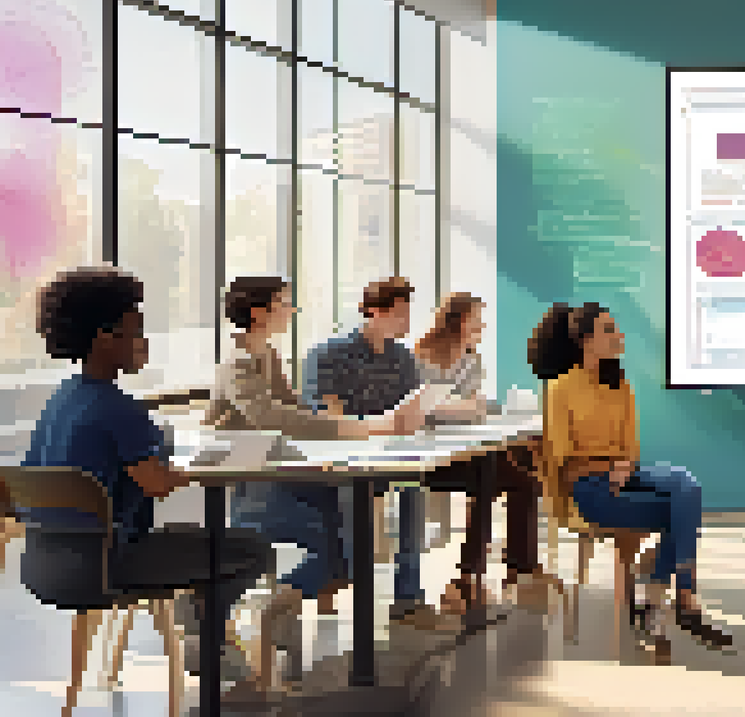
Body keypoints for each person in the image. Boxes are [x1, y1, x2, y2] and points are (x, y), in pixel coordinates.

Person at [20, 267, 277, 696]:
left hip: (45, 566)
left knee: (188, 539)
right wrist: (191, 469)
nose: (145, 342)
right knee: (251, 550)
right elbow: (156, 483)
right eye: (136, 329)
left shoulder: (58, 401)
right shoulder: (119, 408)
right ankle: (207, 641)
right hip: (104, 566)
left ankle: (197, 622)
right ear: (106, 336)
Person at [211, 276, 426, 665]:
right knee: (344, 547)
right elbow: (274, 418)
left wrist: (343, 423)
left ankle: (276, 611)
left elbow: (296, 412)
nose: (291, 311)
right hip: (259, 487)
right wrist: (365, 426)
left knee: (353, 542)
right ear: (259, 312)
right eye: (283, 303)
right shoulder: (239, 364)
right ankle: (264, 612)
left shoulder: (268, 355)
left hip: (288, 474)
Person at [530, 301, 732, 649]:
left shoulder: (619, 384)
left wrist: (623, 466)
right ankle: (671, 596)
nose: (619, 335)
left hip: (624, 474)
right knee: (683, 514)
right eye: (609, 330)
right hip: (588, 490)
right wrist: (610, 467)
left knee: (688, 487)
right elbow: (565, 465)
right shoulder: (559, 388)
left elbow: (629, 447)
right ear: (585, 340)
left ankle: (671, 592)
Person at [303, 277, 441, 628]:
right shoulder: (328, 354)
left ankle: (407, 596)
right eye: (399, 314)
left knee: (413, 489)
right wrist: (381, 425)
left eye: (408, 313)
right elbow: (330, 418)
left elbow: (408, 411)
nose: (407, 323)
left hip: (390, 456)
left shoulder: (402, 357)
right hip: (341, 460)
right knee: (353, 501)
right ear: (374, 312)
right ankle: (346, 580)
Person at [413, 293, 552, 614]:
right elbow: (423, 412)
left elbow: (472, 409)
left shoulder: (472, 360)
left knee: (526, 477)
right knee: (491, 477)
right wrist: (457, 408)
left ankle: (515, 569)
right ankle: (470, 576)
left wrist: (453, 408)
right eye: (477, 319)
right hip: (430, 457)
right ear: (459, 320)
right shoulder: (419, 358)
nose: (482, 325)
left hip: (466, 451)